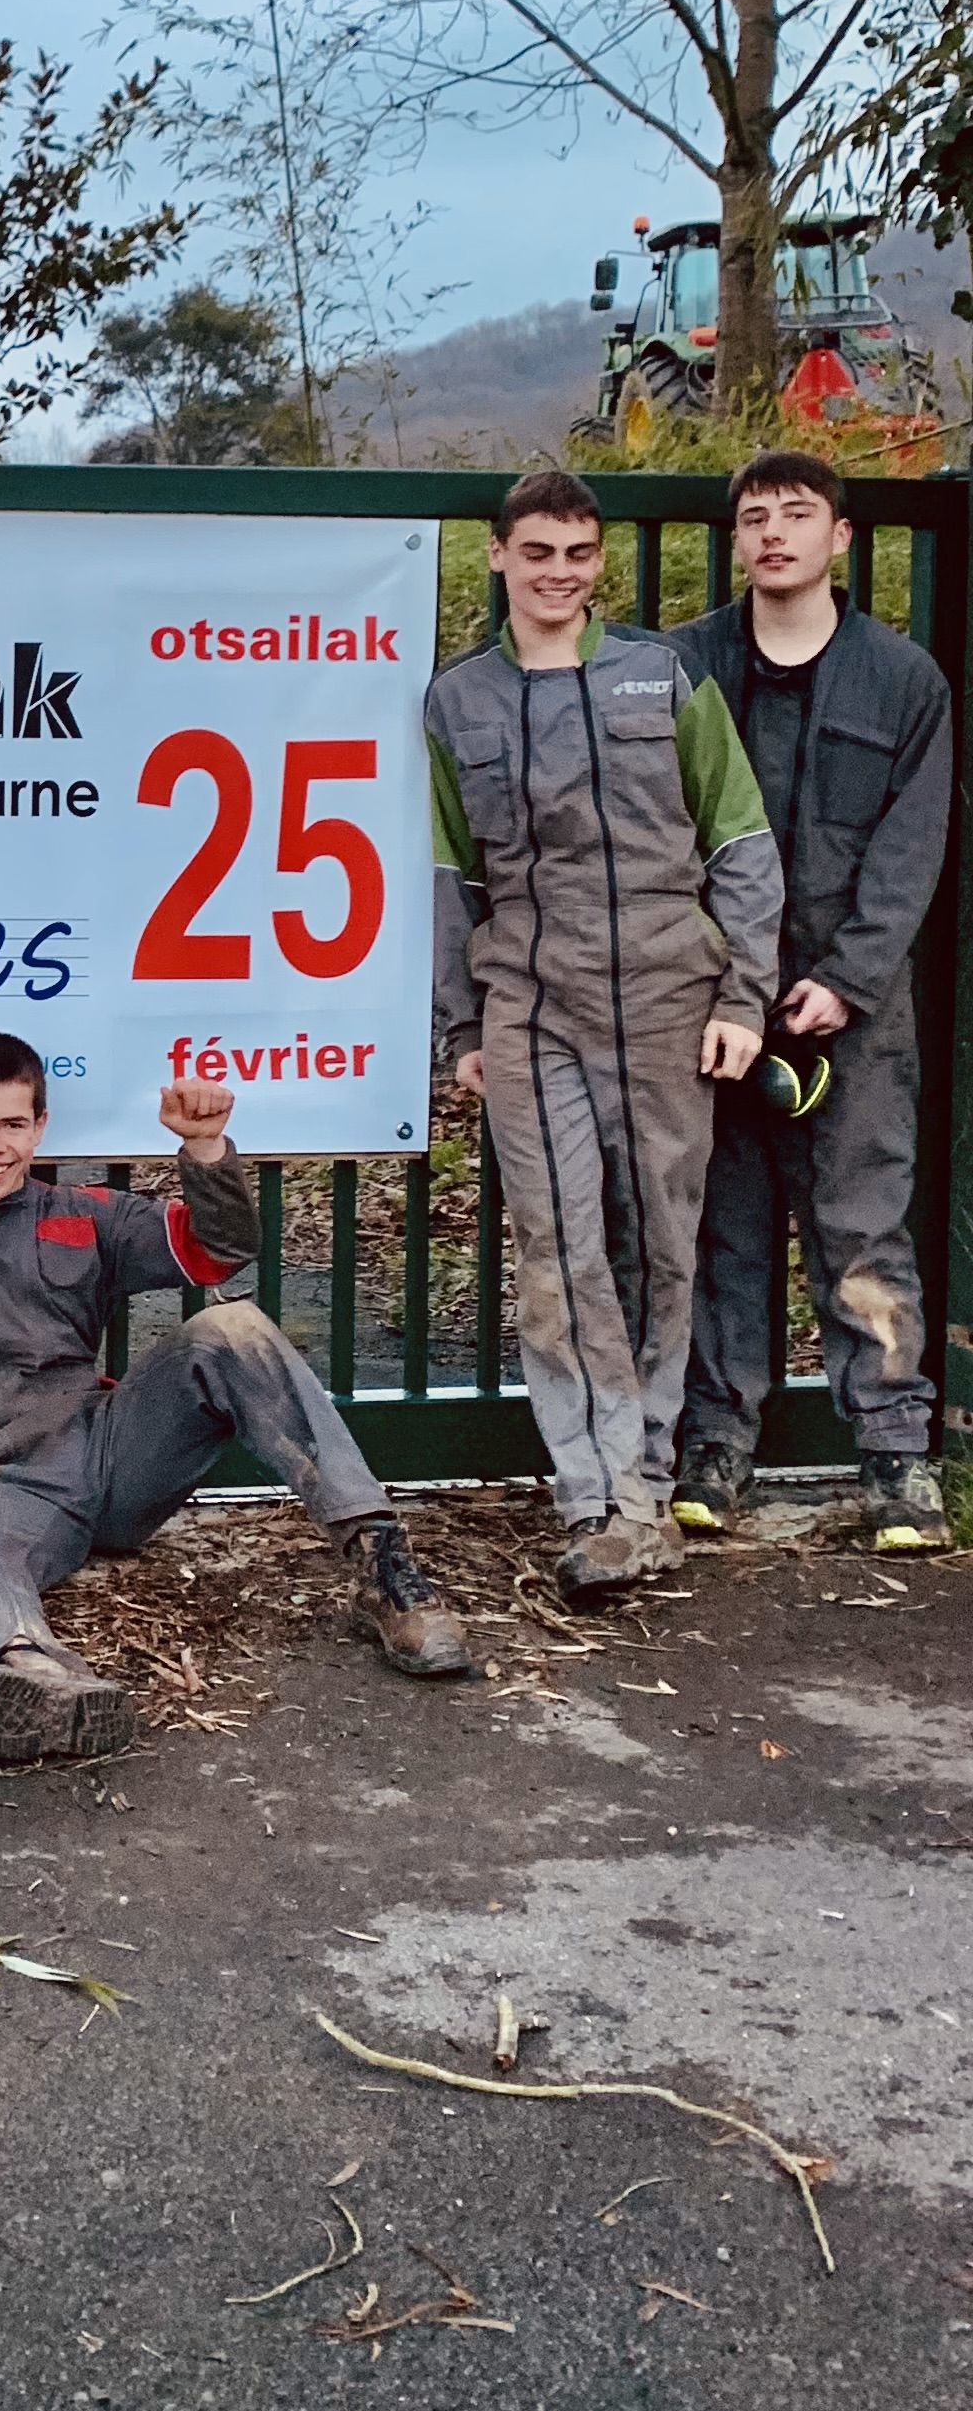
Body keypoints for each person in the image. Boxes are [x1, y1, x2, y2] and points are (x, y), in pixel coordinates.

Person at [0, 1041, 471, 1766]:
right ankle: (37, 1678)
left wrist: (206, 1150)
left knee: (231, 1327)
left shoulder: (87, 1213)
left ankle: (385, 1574)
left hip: (111, 1453)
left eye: (14, 1123)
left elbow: (215, 1252)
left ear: (40, 1126)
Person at [426, 464, 780, 1602]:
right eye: (538, 553)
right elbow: (446, 877)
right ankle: (597, 1498)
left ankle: (648, 1478)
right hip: (533, 1001)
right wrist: (463, 1025)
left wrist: (743, 999)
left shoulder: (662, 675)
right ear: (499, 558)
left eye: (580, 555)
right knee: (558, 1249)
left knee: (662, 1244)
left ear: (598, 563)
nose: (560, 575)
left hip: (670, 995)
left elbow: (740, 843)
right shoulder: (459, 701)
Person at [666, 449, 955, 1553]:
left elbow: (911, 844)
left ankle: (892, 1457)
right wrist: (711, 977)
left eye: (798, 514)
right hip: (717, 1009)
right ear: (735, 541)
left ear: (840, 537)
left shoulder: (903, 680)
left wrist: (848, 979)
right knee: (721, 1231)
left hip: (858, 1018)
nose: (774, 532)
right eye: (753, 517)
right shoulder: (685, 668)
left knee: (863, 1227)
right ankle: (717, 1448)